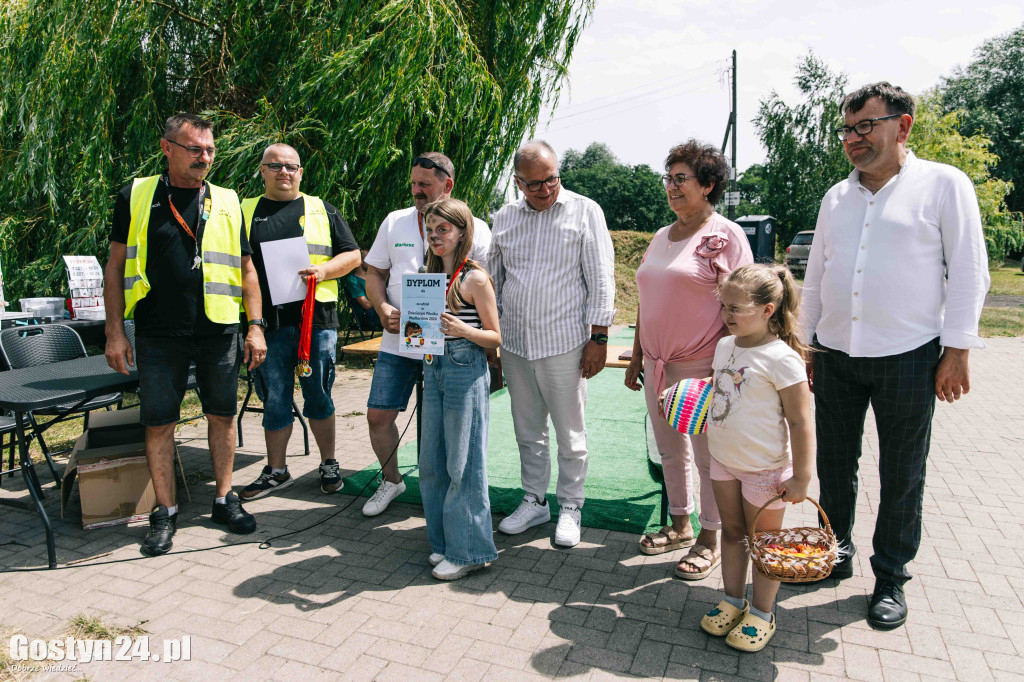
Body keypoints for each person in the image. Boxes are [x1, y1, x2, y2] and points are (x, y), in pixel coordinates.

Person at [799, 82, 990, 630]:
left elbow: (970, 272)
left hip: (909, 355)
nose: (853, 139)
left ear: (902, 126)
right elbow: (816, 278)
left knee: (902, 472)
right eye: (846, 129)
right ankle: (835, 555)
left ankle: (890, 576)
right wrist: (807, 342)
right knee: (835, 465)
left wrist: (958, 350)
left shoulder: (944, 186)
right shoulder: (836, 197)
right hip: (836, 354)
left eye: (866, 126)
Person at [104, 113, 267, 556]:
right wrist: (115, 332)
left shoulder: (229, 200)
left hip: (218, 328)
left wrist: (255, 326)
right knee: (159, 423)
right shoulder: (136, 195)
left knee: (222, 414)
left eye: (210, 150)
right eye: (195, 149)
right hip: (158, 331)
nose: (205, 157)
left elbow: (247, 269)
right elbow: (115, 268)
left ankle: (223, 499)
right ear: (167, 148)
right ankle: (164, 511)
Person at [625, 140, 753, 580]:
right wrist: (638, 354)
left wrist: (734, 368)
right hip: (658, 364)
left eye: (683, 179)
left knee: (708, 457)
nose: (672, 187)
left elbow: (746, 301)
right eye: (670, 178)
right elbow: (647, 298)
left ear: (708, 185)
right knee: (668, 450)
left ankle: (710, 538)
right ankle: (680, 523)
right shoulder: (662, 236)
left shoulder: (725, 235)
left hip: (704, 369)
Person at [490, 140, 616, 548]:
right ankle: (534, 500)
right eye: (534, 185)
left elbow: (601, 279)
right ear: (518, 183)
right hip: (516, 343)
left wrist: (598, 338)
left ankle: (571, 507)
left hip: (564, 342)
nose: (545, 191)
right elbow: (494, 280)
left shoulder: (585, 210)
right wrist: (493, 340)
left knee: (570, 433)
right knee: (528, 430)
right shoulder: (505, 217)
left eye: (551, 180)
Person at [691, 264, 813, 652]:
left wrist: (802, 477)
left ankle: (762, 613)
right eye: (724, 306)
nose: (727, 315)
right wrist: (686, 396)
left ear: (768, 309)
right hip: (723, 459)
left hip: (765, 470)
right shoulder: (725, 346)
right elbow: (721, 390)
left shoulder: (782, 358)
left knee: (765, 544)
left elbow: (800, 421)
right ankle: (732, 600)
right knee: (731, 532)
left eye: (736, 308)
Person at [362, 153, 491, 516]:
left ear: (447, 185)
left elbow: (487, 288)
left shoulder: (476, 227)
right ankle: (391, 480)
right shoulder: (394, 222)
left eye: (426, 185)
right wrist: (383, 307)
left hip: (453, 348)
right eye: (414, 183)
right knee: (378, 416)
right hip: (400, 341)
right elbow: (374, 274)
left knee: (449, 431)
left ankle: (447, 497)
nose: (417, 191)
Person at [237, 143, 360, 500]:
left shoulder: (322, 209)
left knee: (318, 394)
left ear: (301, 172)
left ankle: (329, 463)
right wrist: (252, 325)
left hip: (316, 321)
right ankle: (277, 471)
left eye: (291, 166)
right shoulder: (244, 211)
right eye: (275, 166)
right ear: (262, 171)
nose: (284, 172)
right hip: (267, 323)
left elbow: (352, 255)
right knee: (274, 396)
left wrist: (323, 271)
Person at [418, 198, 502, 580]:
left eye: (443, 229)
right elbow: (424, 330)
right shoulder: (428, 275)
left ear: (462, 232)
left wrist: (464, 330)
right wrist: (412, 325)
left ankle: (470, 551)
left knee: (463, 464)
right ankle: (446, 543)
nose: (435, 236)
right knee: (432, 463)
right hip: (432, 364)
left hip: (465, 366)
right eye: (430, 229)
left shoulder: (475, 278)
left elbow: (494, 337)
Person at [342, 250, 383, 332]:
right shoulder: (353, 280)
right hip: (367, 316)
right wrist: (380, 301)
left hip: (377, 311)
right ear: (360, 262)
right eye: (368, 259)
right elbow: (366, 305)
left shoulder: (371, 278)